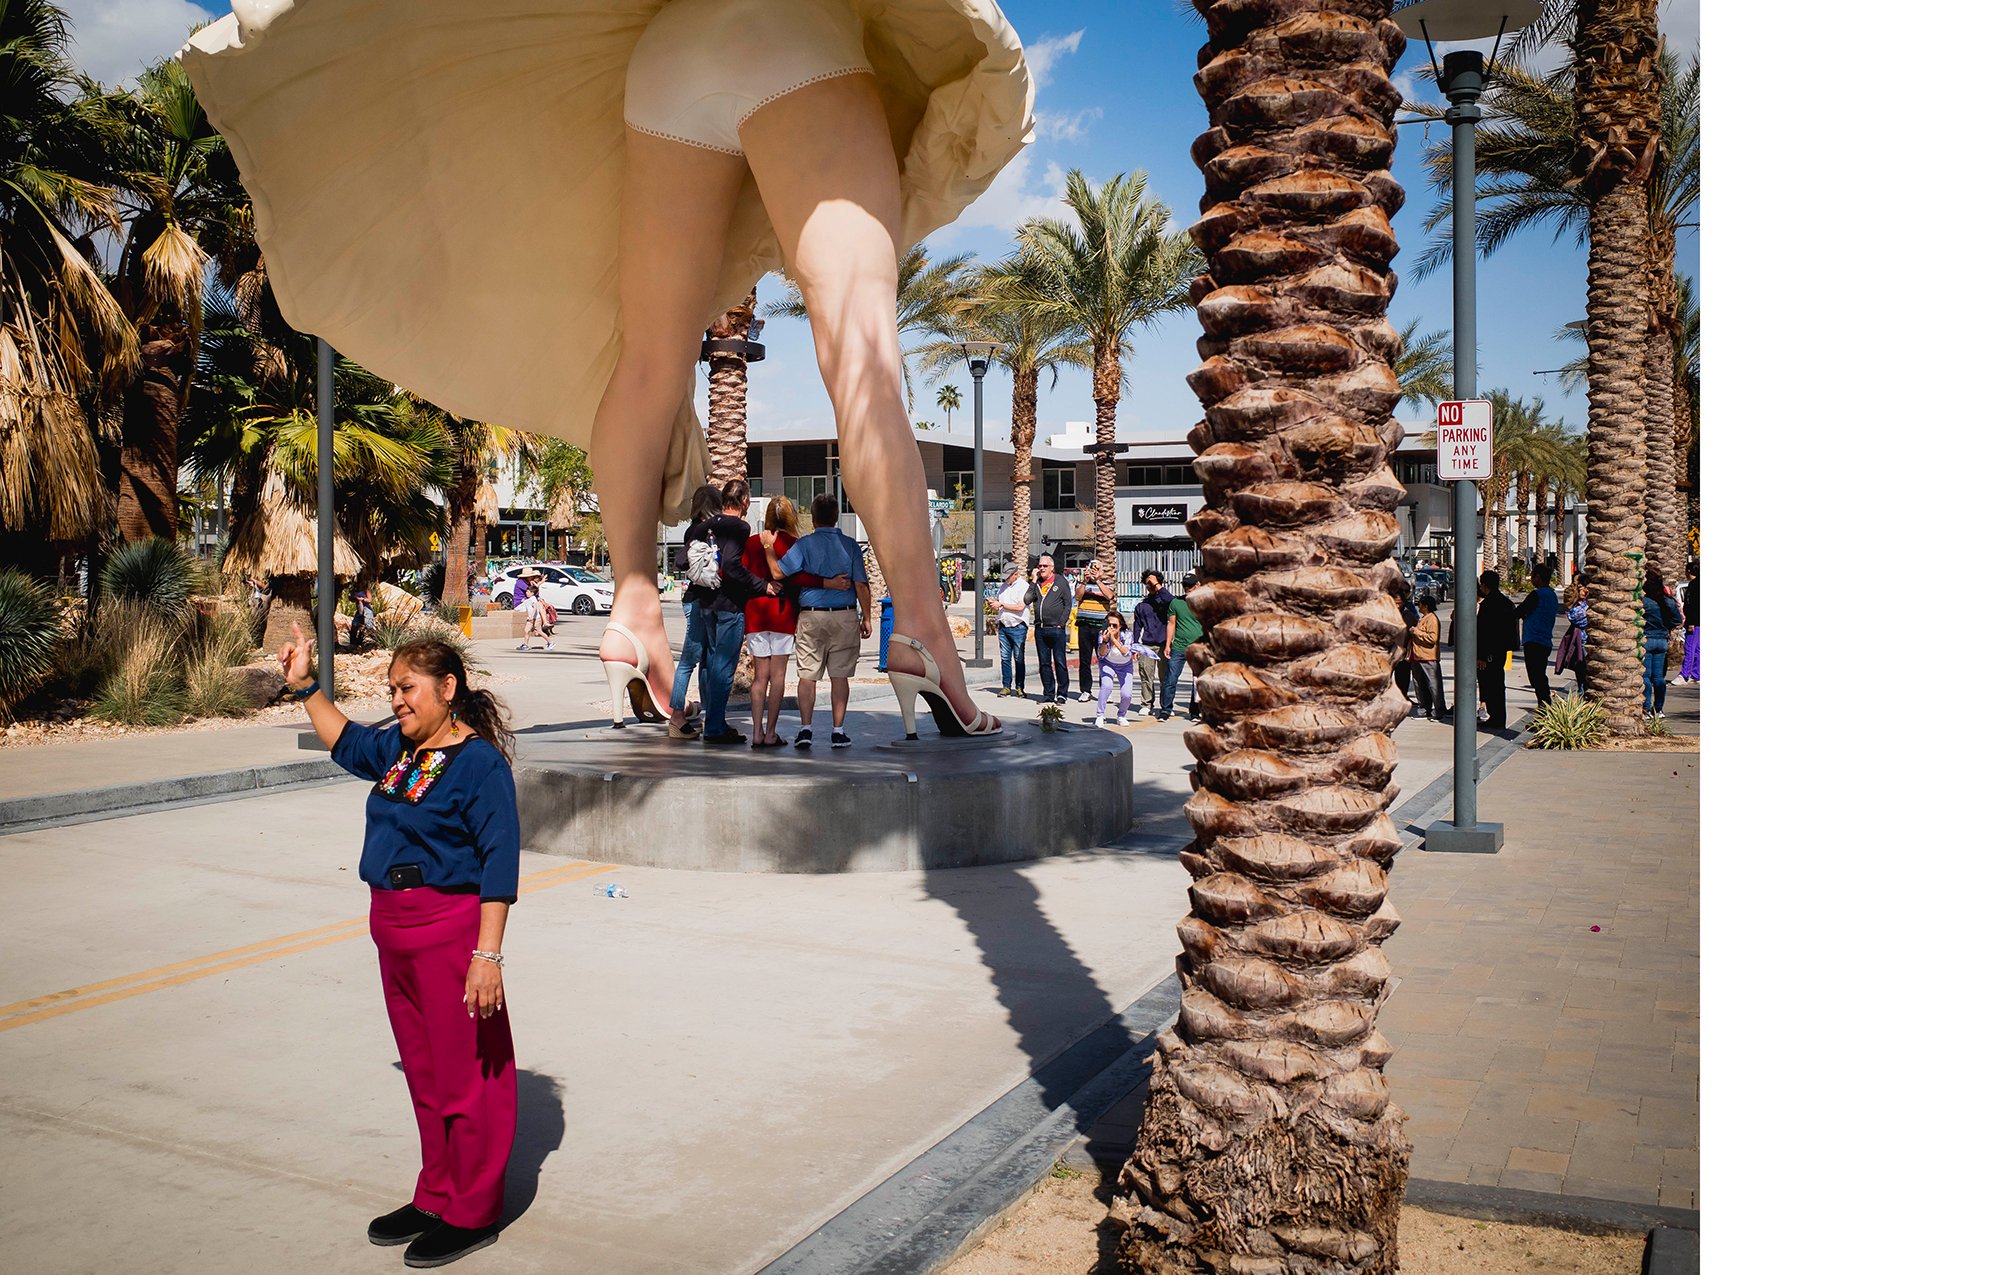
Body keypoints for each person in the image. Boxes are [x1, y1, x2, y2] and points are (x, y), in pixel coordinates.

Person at [182, 0, 1028, 751]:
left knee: (649, 359)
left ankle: (630, 603)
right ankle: (919, 626)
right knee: (859, 347)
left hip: (667, 54)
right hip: (805, 37)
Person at [278, 624, 519, 1268]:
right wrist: (304, 684)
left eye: (407, 689)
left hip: (449, 930)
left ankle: (473, 1208)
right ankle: (435, 1192)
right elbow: (348, 741)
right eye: (391, 690)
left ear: (448, 689)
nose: (397, 701)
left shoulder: (479, 764)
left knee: (465, 1074)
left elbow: (499, 860)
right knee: (424, 1070)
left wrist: (487, 955)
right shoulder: (401, 749)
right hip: (394, 928)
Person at [779, 492, 871, 748]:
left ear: (814, 519)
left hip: (811, 615)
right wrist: (867, 617)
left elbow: (782, 572)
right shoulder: (851, 545)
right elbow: (861, 584)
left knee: (807, 675)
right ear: (836, 517)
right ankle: (838, 730)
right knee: (839, 676)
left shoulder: (804, 545)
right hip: (844, 614)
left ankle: (806, 729)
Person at [683, 479, 765, 744]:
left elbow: (683, 558)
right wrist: (761, 585)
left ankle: (713, 719)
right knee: (724, 666)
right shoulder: (740, 527)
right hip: (729, 604)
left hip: (706, 602)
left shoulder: (706, 525)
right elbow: (731, 563)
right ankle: (715, 727)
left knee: (710, 661)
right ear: (744, 501)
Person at [742, 495, 800, 746]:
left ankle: (756, 731)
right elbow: (799, 582)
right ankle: (771, 733)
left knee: (759, 678)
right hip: (783, 614)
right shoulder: (794, 544)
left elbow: (741, 575)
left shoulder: (752, 542)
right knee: (778, 678)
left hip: (755, 614)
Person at [667, 485, 724, 739]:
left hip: (694, 598)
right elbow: (681, 560)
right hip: (700, 600)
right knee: (690, 659)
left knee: (703, 659)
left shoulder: (693, 529)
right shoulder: (703, 530)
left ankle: (702, 714)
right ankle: (677, 716)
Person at [1474, 570, 1518, 733]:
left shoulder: (1488, 605)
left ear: (1485, 585)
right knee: (1498, 684)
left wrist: (1482, 655)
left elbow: (1485, 632)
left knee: (1490, 685)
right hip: (1501, 651)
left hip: (1489, 653)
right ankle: (1499, 717)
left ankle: (1496, 717)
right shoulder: (1506, 603)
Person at [1027, 555, 1072, 705]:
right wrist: (1033, 580)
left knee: (1060, 662)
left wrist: (1061, 622)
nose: (1041, 568)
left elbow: (1068, 604)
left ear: (1052, 567)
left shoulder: (1060, 581)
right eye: (1040, 566)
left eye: (1045, 566)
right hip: (1041, 629)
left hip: (1056, 629)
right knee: (1044, 663)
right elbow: (1027, 599)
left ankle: (1062, 693)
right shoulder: (1037, 583)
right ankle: (1048, 693)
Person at [1517, 563, 1560, 709]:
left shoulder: (1537, 594)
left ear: (1538, 577)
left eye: (1533, 575)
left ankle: (1544, 707)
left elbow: (1520, 611)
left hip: (1533, 640)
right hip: (1545, 640)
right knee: (1540, 675)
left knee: (1537, 678)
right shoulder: (1552, 595)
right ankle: (1544, 706)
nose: (1531, 579)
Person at [1160, 573, 1203, 720]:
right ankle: (1165, 709)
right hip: (1178, 646)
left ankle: (1195, 711)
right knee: (1170, 678)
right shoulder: (1176, 603)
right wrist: (1167, 644)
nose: (1187, 588)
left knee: (1197, 681)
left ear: (1198, 586)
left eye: (1190, 585)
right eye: (1184, 585)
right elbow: (1171, 624)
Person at [1642, 568, 1683, 719]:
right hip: (1662, 640)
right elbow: (1677, 620)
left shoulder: (1643, 602)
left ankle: (1645, 708)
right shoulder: (1667, 601)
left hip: (1646, 639)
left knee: (1645, 676)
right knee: (1658, 677)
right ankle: (1658, 709)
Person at [1131, 570, 1173, 715]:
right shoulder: (1142, 605)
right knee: (1146, 676)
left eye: (1151, 584)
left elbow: (1169, 599)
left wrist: (1156, 584)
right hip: (1146, 645)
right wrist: (1135, 646)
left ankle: (1165, 705)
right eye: (1147, 584)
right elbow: (1137, 626)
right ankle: (1146, 704)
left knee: (1165, 677)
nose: (1149, 586)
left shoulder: (1167, 602)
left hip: (1164, 644)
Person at [1072, 565, 1113, 702]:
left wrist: (1098, 581)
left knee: (1104, 658)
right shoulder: (1081, 582)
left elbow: (1109, 595)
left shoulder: (1108, 583)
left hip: (1101, 626)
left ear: (1102, 571)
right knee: (1084, 659)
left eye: (1097, 568)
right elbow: (1077, 597)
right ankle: (1085, 690)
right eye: (1091, 568)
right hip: (1084, 625)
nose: (1094, 571)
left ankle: (1106, 689)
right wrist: (1085, 581)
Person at [993, 562, 1030, 697]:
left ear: (1016, 574)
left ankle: (1020, 687)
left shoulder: (1024, 586)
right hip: (1004, 625)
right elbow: (1000, 604)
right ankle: (1006, 686)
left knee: (1019, 658)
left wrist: (1002, 604)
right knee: (1005, 658)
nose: (1006, 579)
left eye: (1008, 576)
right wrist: (995, 605)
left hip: (1018, 626)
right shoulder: (1003, 587)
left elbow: (1020, 607)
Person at [1093, 612, 1136, 727]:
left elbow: (1127, 653)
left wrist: (1114, 639)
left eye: (1114, 625)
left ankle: (1121, 715)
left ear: (1120, 626)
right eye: (1109, 625)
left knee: (1126, 694)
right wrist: (1105, 641)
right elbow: (1101, 654)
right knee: (1106, 686)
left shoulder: (1127, 635)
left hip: (1125, 665)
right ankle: (1100, 715)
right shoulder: (1103, 635)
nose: (1111, 628)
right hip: (1108, 663)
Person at [1409, 596, 1444, 720]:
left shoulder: (1432, 619)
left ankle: (1439, 710)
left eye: (1421, 604)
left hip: (1428, 657)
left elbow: (1433, 638)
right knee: (1420, 685)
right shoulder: (1423, 619)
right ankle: (1424, 709)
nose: (1419, 607)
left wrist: (1416, 632)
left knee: (1433, 685)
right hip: (1418, 657)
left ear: (1426, 606)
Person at [1555, 574, 1589, 697]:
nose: (1581, 590)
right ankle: (1581, 691)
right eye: (1579, 588)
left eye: (1582, 587)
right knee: (1580, 668)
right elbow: (1573, 616)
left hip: (1586, 640)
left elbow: (1579, 619)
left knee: (1585, 668)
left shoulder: (1587, 605)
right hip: (1580, 640)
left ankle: (1584, 691)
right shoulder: (1578, 605)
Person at [514, 572, 554, 651]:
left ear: (532, 593)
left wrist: (531, 616)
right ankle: (525, 645)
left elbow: (535, 607)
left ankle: (550, 642)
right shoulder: (521, 584)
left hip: (535, 619)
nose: (526, 593)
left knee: (539, 631)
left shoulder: (532, 599)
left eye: (528, 592)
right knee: (526, 630)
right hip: (531, 618)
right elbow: (532, 592)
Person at [1678, 560, 1700, 683]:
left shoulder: (1693, 585)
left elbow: (1693, 605)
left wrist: (1691, 621)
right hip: (1699, 622)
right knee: (1697, 649)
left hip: (1694, 622)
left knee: (1690, 648)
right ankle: (1696, 674)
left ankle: (1685, 674)